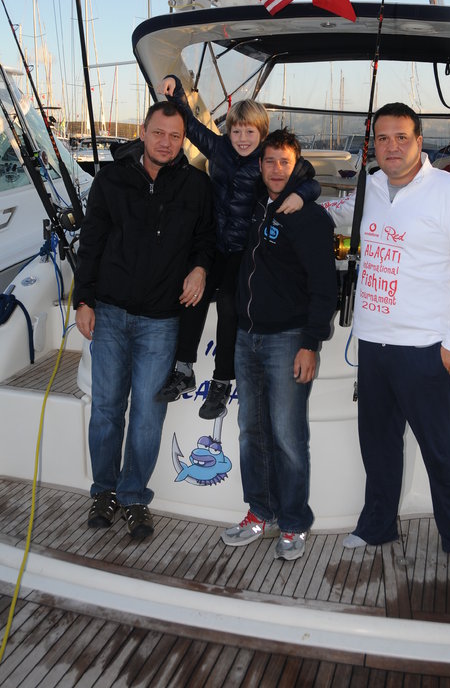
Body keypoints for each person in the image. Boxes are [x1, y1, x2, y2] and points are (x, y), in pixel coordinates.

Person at [322, 102, 450, 573]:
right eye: (382, 138)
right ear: (373, 145)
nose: (391, 147)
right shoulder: (370, 187)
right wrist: (295, 200)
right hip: (373, 345)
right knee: (377, 446)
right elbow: (335, 214)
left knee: (440, 451)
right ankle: (376, 525)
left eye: (401, 137)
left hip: (426, 348)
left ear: (420, 141)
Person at [74, 101, 215, 540]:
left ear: (183, 139)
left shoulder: (197, 185)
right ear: (143, 131)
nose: (166, 143)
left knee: (148, 416)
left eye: (175, 136)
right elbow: (91, 242)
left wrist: (200, 268)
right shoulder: (111, 179)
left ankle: (134, 496)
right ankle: (104, 491)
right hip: (110, 313)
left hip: (161, 320)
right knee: (106, 410)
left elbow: (206, 239)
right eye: (159, 133)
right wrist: (83, 300)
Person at [154, 75, 320, 420]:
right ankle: (183, 368)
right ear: (228, 133)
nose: (242, 139)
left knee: (230, 303)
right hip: (215, 242)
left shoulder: (267, 159)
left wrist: (300, 196)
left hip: (246, 249)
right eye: (236, 131)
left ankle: (221, 381)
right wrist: (176, 90)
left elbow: (309, 178)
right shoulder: (219, 149)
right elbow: (190, 124)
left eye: (250, 132)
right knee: (191, 292)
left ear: (262, 134)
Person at [221, 129, 338, 561]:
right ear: (260, 164)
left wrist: (311, 342)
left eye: (283, 162)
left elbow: (325, 287)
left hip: (288, 339)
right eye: (268, 161)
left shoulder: (310, 218)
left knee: (288, 437)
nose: (275, 170)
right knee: (251, 432)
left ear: (296, 165)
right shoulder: (255, 204)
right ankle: (260, 511)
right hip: (247, 336)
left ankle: (293, 522)